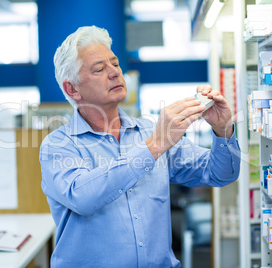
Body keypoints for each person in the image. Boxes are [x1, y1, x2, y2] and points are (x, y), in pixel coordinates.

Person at [39, 25, 241, 268]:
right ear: (72, 89)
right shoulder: (58, 145)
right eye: (99, 69)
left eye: (115, 64)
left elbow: (221, 174)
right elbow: (82, 197)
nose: (114, 73)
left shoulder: (148, 131)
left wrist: (222, 130)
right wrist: (153, 146)